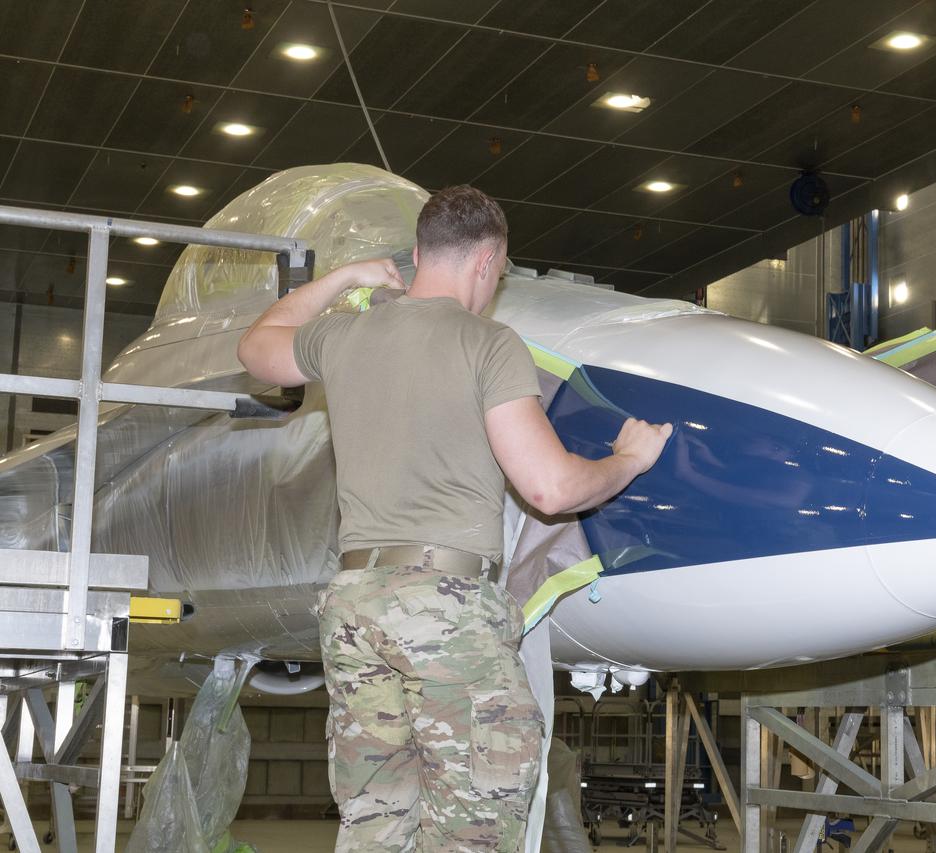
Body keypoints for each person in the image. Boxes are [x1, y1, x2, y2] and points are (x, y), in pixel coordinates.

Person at [237, 185, 672, 851]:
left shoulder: (345, 335)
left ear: (417, 255)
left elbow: (257, 348)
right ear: (488, 263)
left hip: (355, 610)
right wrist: (626, 461)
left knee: (377, 823)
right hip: (443, 608)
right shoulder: (490, 344)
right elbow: (551, 488)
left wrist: (344, 277)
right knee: (474, 825)